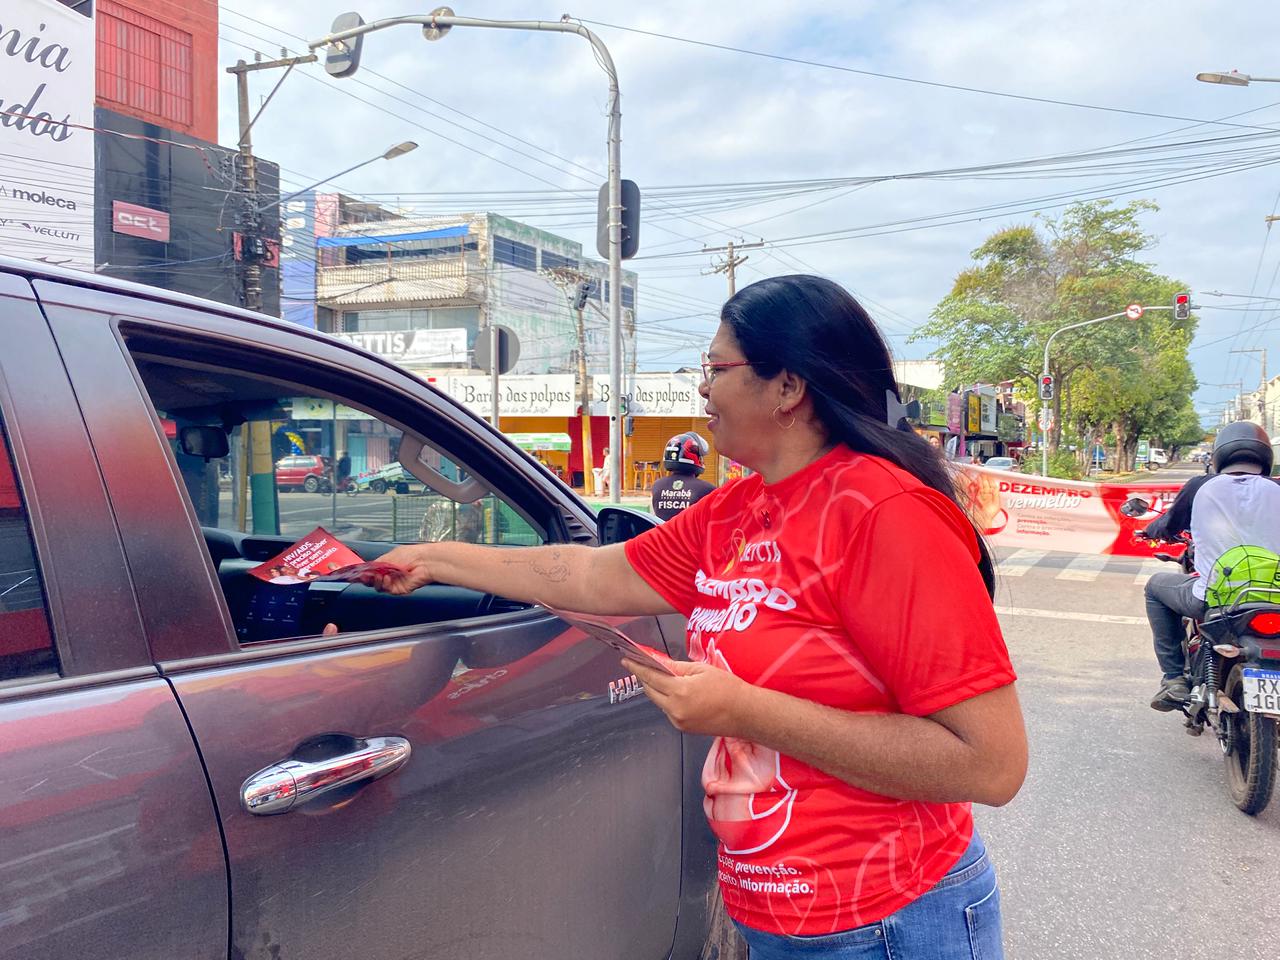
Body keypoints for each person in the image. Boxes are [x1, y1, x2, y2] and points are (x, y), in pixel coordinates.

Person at [362, 275, 1026, 958]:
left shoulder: (884, 515)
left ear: (788, 387)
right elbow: (591, 573)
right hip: (776, 912)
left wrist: (742, 710)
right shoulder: (733, 513)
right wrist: (438, 559)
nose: (701, 390)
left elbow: (990, 763)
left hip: (886, 919)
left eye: (716, 370)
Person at [1141, 420, 1280, 710]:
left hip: (1214, 598)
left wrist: (1150, 531)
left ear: (1219, 455)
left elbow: (1169, 524)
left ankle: (1174, 679)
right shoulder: (1276, 489)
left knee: (1155, 587)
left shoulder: (1201, 486)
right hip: (1273, 597)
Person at [650, 432, 716, 521]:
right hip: (691, 535)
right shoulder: (707, 489)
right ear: (695, 458)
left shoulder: (657, 485)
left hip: (663, 534)